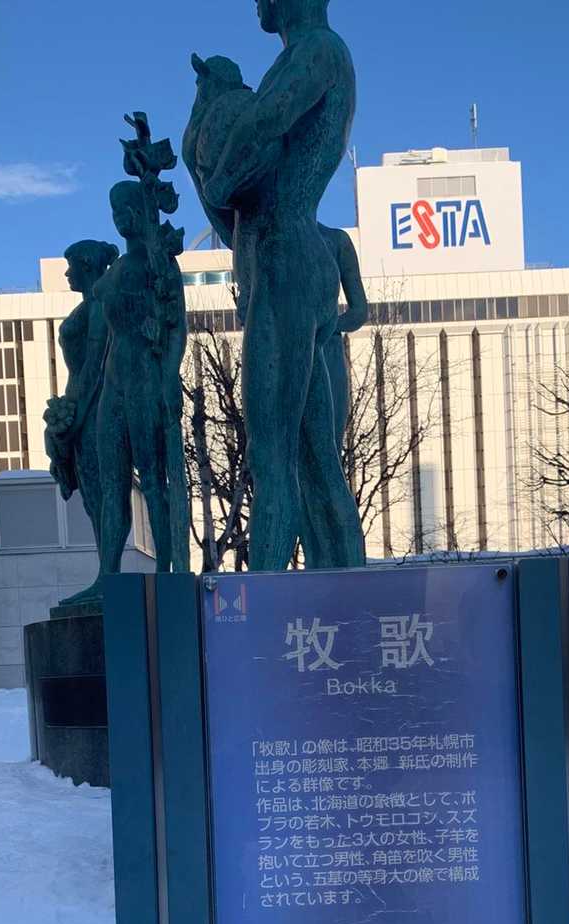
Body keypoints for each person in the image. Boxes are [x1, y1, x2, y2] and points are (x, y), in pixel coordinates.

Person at [190, 0, 367, 572]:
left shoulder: (316, 50)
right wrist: (210, 176)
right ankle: (349, 593)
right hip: (291, 256)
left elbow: (263, 122)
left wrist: (217, 178)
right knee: (316, 463)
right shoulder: (318, 53)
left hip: (286, 261)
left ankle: (263, 603)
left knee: (273, 461)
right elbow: (238, 219)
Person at [95, 182, 189, 575]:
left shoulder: (160, 262)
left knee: (153, 478)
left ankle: (166, 567)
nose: (120, 217)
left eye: (126, 208)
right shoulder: (116, 269)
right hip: (113, 381)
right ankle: (108, 573)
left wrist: (168, 378)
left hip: (145, 378)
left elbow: (177, 327)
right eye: (114, 210)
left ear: (141, 210)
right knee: (112, 482)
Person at [43, 239, 118, 607]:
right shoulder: (87, 306)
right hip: (78, 405)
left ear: (88, 266)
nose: (67, 273)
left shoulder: (101, 306)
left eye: (72, 265)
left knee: (102, 494)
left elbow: (93, 369)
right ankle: (106, 572)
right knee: (92, 498)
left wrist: (74, 419)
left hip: (94, 408)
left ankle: (110, 575)